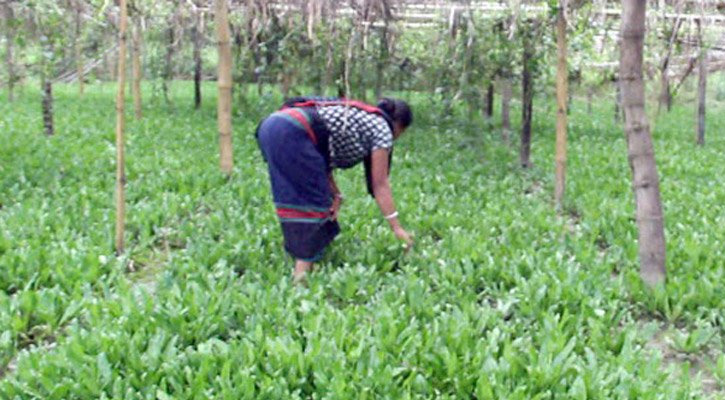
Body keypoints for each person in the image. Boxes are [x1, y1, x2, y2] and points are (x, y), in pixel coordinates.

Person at [256, 96, 414, 284]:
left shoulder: (361, 116)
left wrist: (336, 193)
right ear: (400, 127)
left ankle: (313, 256)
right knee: (312, 204)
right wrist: (396, 228)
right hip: (294, 131)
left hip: (270, 126)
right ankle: (301, 276)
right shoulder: (382, 129)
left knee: (295, 196)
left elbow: (321, 158)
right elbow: (380, 184)